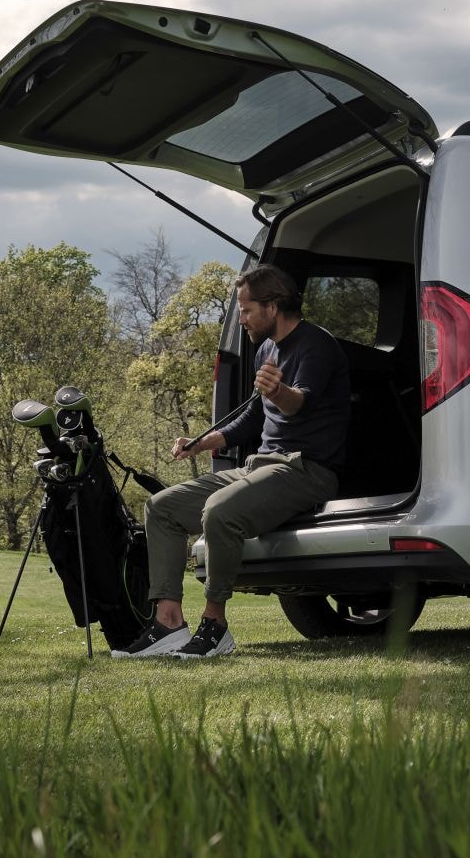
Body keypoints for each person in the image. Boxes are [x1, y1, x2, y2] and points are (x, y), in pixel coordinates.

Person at [114, 263, 349, 659]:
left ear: (272, 307)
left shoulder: (316, 345)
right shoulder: (266, 350)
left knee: (219, 512)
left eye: (246, 309)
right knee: (162, 507)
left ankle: (215, 625)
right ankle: (168, 622)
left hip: (307, 469)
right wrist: (201, 443)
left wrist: (278, 391)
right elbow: (253, 419)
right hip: (263, 464)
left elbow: (297, 403)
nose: (241, 319)